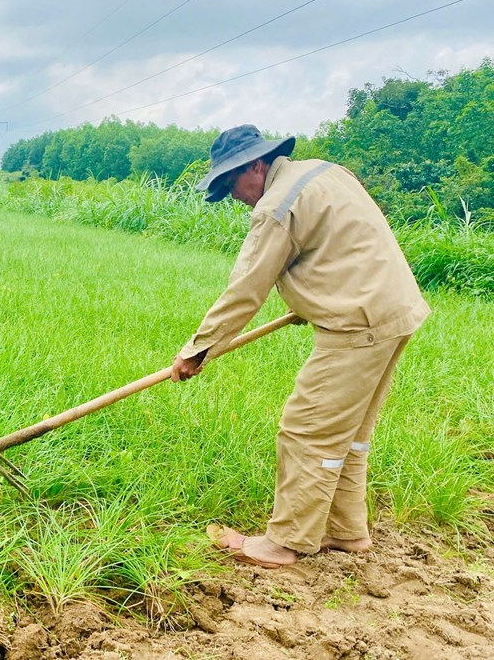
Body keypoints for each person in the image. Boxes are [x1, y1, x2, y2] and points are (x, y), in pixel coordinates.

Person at [172, 124, 429, 568]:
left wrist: (198, 349)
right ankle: (346, 530)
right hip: (394, 311)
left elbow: (246, 289)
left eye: (231, 183)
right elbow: (342, 246)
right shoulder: (324, 171)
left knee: (306, 431)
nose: (233, 195)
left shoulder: (278, 205)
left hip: (358, 325)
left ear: (255, 165)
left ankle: (285, 542)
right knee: (348, 434)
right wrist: (312, 298)